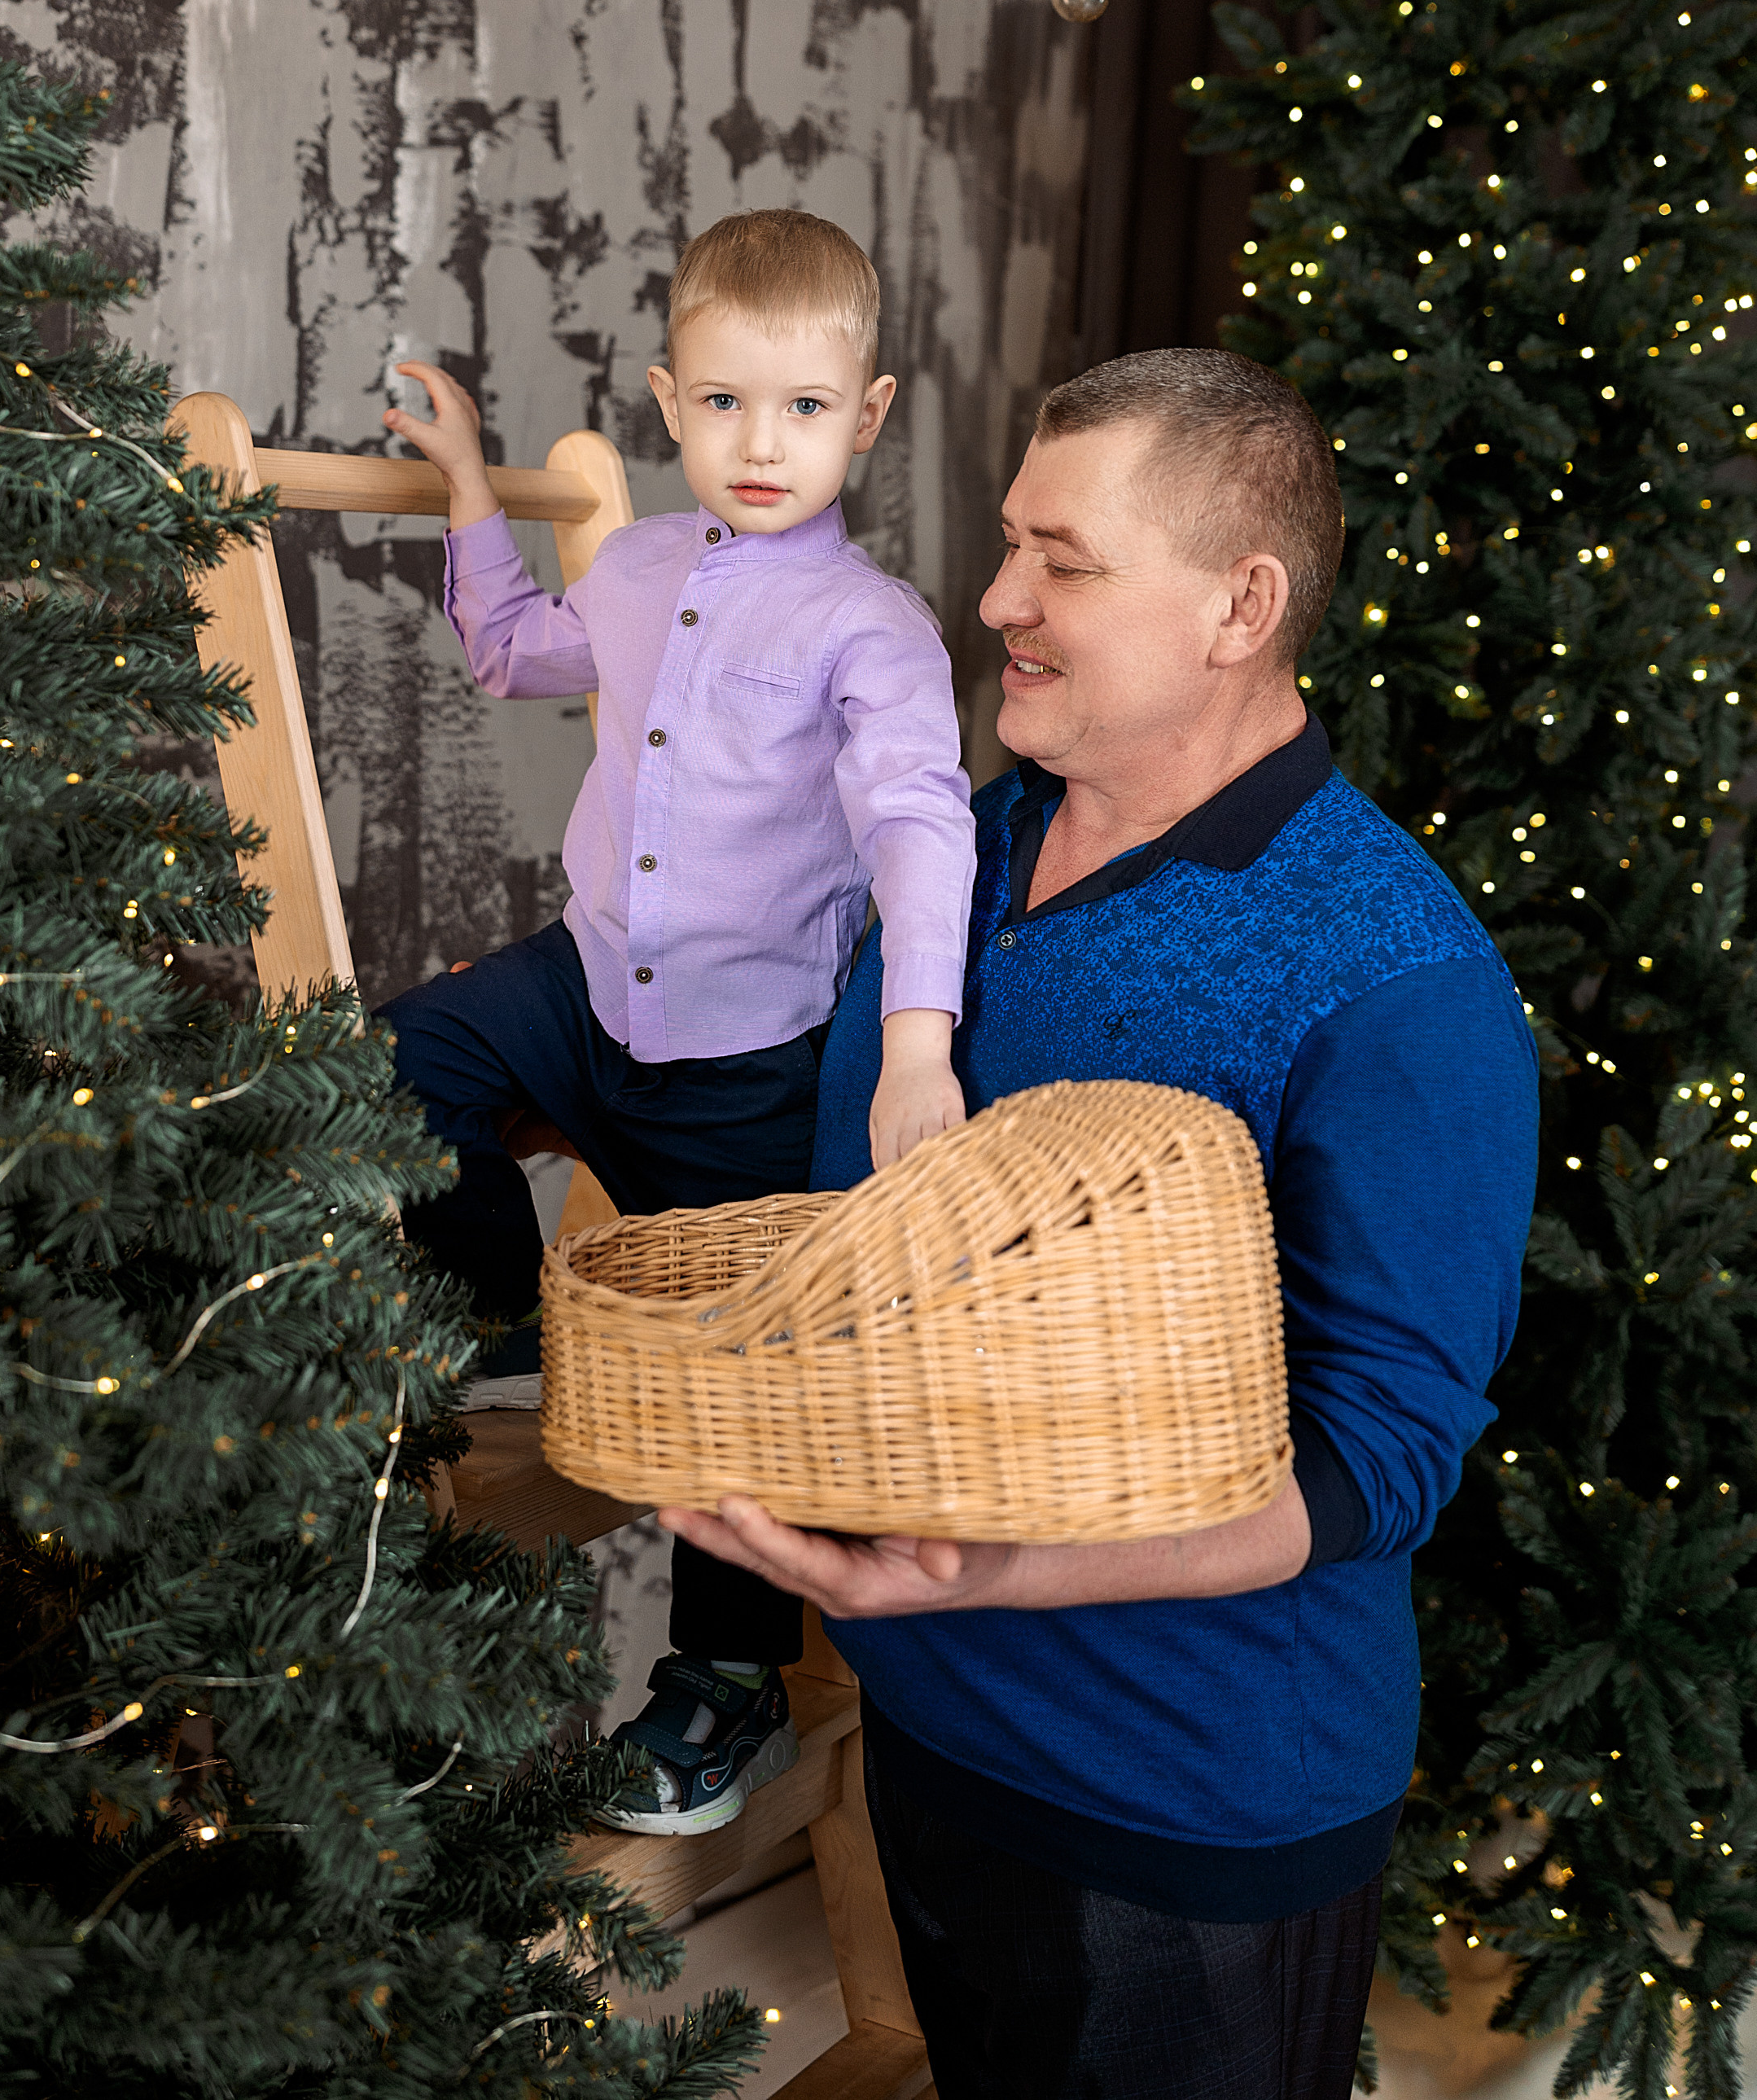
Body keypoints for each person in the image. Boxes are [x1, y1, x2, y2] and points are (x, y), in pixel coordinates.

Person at [664, 348, 1539, 2094]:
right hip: (931, 1727)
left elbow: (1380, 1458)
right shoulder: (954, 849)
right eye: (1007, 543)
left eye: (1062, 561)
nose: (996, 600)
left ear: (1241, 604)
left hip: (1185, 1800)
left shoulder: (1399, 975)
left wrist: (990, 1571)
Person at [378, 209, 975, 1835]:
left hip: (744, 1054)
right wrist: (467, 484)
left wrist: (915, 1043)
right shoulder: (638, 567)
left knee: (736, 1382)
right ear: (667, 400)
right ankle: (501, 1319)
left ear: (866, 414)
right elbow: (509, 650)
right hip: (591, 988)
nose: (757, 441)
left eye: (797, 406)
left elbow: (923, 822)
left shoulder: (871, 629)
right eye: (721, 403)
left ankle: (723, 1686)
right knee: (406, 1054)